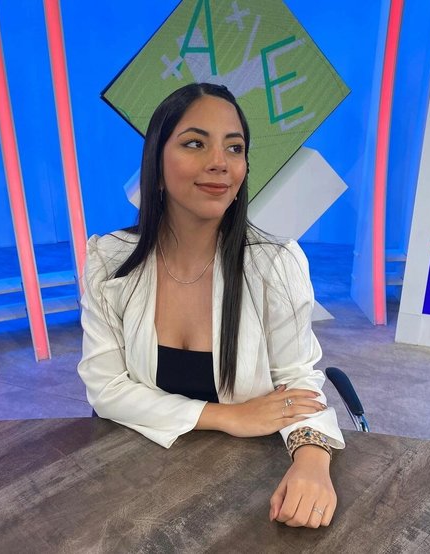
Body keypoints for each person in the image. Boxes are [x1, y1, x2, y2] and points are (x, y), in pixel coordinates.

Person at [78, 82, 345, 528]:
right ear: (157, 166)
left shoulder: (275, 264)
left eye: (234, 148)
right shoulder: (109, 262)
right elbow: (106, 390)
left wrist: (313, 463)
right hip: (135, 485)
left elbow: (299, 381)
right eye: (195, 143)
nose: (220, 162)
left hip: (243, 492)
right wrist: (228, 417)